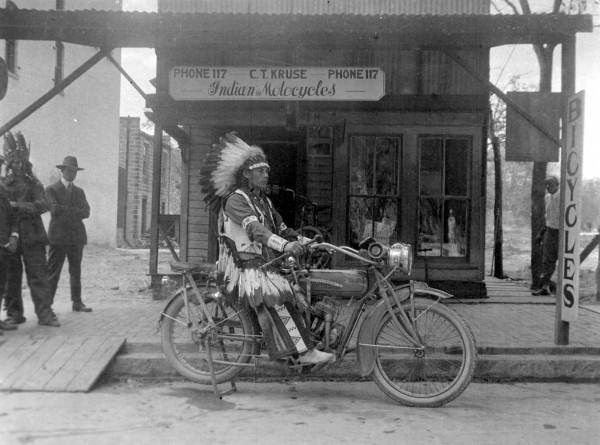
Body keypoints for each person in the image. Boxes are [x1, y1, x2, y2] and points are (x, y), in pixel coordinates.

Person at [200, 132, 333, 364]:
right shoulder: (236, 200)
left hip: (262, 264)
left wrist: (306, 242)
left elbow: (281, 229)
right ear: (246, 174)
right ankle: (303, 352)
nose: (266, 174)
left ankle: (301, 343)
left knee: (300, 285)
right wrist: (285, 245)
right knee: (278, 295)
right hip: (244, 266)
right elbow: (256, 231)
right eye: (260, 171)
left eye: (266, 170)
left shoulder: (264, 201)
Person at [2, 131, 60, 327]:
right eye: (14, 162)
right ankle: (14, 313)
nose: (18, 165)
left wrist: (19, 206)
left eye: (21, 161)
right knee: (11, 277)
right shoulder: (3, 185)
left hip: (33, 235)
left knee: (38, 275)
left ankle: (45, 313)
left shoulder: (34, 183)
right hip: (11, 237)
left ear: (26, 161)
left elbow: (44, 204)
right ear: (9, 163)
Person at [46, 156, 92, 312]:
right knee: (53, 271)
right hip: (58, 237)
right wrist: (74, 212)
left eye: (75, 171)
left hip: (76, 238)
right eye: (69, 170)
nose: (72, 173)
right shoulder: (51, 189)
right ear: (62, 170)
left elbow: (86, 212)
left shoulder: (79, 192)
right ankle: (46, 305)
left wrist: (65, 209)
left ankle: (77, 302)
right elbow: (54, 209)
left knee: (75, 271)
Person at [0, 153, 19, 332]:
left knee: (1, 283)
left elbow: (12, 217)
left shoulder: (3, 191)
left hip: (4, 246)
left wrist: (13, 236)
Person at [533, 175, 560, 296]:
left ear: (557, 185)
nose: (548, 187)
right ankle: (545, 287)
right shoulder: (547, 198)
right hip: (550, 231)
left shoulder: (563, 197)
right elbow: (547, 218)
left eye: (551, 184)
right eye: (547, 185)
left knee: (564, 259)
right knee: (547, 260)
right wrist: (541, 233)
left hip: (562, 232)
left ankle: (563, 289)